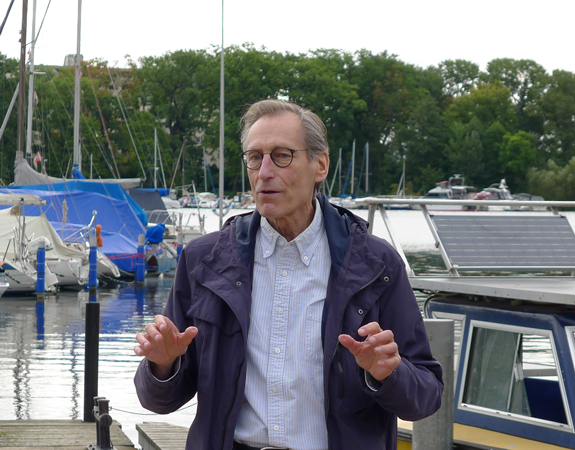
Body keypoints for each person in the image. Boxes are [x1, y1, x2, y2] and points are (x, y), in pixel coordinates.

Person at [134, 99, 443, 450]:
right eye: (255, 157)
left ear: (320, 165)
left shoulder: (377, 265)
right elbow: (159, 400)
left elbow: (426, 396)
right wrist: (162, 365)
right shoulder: (203, 261)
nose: (264, 171)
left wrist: (387, 374)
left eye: (282, 155)